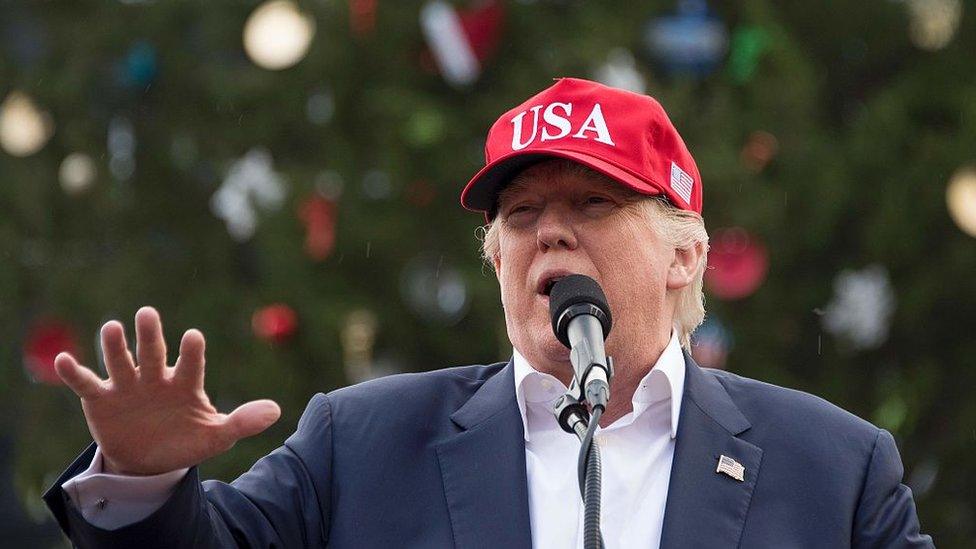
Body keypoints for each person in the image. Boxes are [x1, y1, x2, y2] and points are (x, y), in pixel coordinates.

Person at [44, 78, 932, 548]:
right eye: (520, 216)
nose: (550, 232)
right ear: (499, 261)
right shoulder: (362, 442)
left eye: (590, 205)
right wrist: (146, 477)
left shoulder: (835, 468)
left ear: (684, 255)